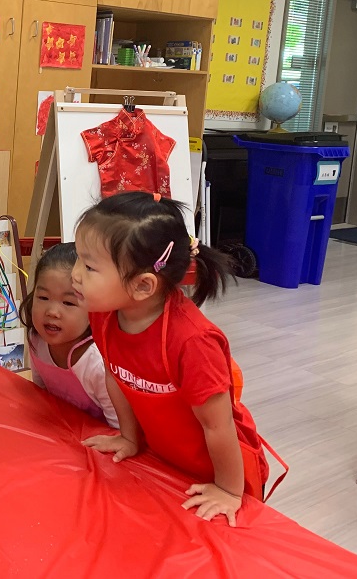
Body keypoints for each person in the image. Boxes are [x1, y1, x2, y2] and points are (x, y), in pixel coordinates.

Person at [76, 192, 271, 527]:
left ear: (143, 286)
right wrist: (129, 437)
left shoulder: (193, 342)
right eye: (79, 260)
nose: (76, 274)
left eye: (89, 266)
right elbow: (116, 376)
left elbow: (218, 424)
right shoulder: (105, 315)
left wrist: (228, 490)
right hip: (167, 462)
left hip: (223, 475)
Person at [20, 243, 117, 427]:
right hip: (60, 431)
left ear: (95, 310)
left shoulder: (97, 363)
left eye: (68, 302)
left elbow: (120, 430)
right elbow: (41, 394)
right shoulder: (36, 339)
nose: (52, 312)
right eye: (43, 298)